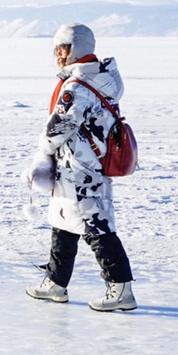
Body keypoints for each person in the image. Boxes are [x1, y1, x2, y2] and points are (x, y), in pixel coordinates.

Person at [24, 22, 136, 312]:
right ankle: (55, 283)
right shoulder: (99, 79)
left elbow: (59, 126)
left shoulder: (76, 87)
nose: (58, 54)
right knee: (64, 223)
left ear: (73, 49)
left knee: (97, 228)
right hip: (85, 165)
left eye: (62, 48)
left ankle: (121, 288)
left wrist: (40, 153)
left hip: (80, 169)